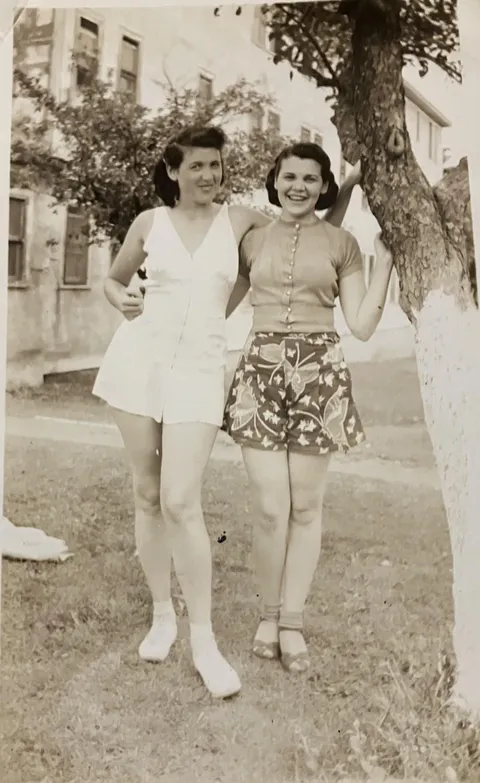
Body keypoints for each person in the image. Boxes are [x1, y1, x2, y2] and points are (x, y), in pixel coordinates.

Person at [92, 125, 359, 698]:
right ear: (173, 171)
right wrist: (125, 299)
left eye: (216, 166)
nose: (209, 176)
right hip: (140, 361)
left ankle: (203, 640)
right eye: (197, 167)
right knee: (146, 492)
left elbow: (307, 238)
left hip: (199, 369)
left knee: (180, 499)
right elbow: (113, 282)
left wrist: (350, 188)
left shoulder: (241, 221)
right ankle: (163, 614)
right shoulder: (149, 224)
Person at [223, 141, 393, 674]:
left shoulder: (342, 243)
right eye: (289, 176)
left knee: (305, 508)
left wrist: (384, 262)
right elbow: (216, 305)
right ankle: (268, 616)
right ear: (274, 182)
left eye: (310, 179)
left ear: (325, 188)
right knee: (271, 507)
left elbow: (361, 325)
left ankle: (292, 623)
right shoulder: (250, 240)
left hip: (321, 374)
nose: (298, 186)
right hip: (260, 374)